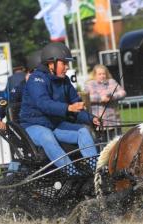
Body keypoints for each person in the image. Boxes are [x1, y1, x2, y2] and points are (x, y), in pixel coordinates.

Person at [20, 42, 99, 174]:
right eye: (64, 63)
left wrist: (91, 119)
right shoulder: (36, 80)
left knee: (83, 131)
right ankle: (72, 174)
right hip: (32, 126)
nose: (67, 67)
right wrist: (68, 108)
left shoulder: (65, 81)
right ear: (51, 64)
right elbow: (43, 104)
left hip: (54, 125)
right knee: (47, 136)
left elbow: (75, 105)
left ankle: (96, 172)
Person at [84, 64, 126, 138]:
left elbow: (123, 93)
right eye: (99, 74)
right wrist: (100, 98)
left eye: (104, 73)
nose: (102, 76)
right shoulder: (89, 84)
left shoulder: (112, 82)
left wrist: (112, 97)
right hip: (98, 122)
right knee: (102, 145)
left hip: (114, 121)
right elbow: (86, 97)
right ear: (94, 75)